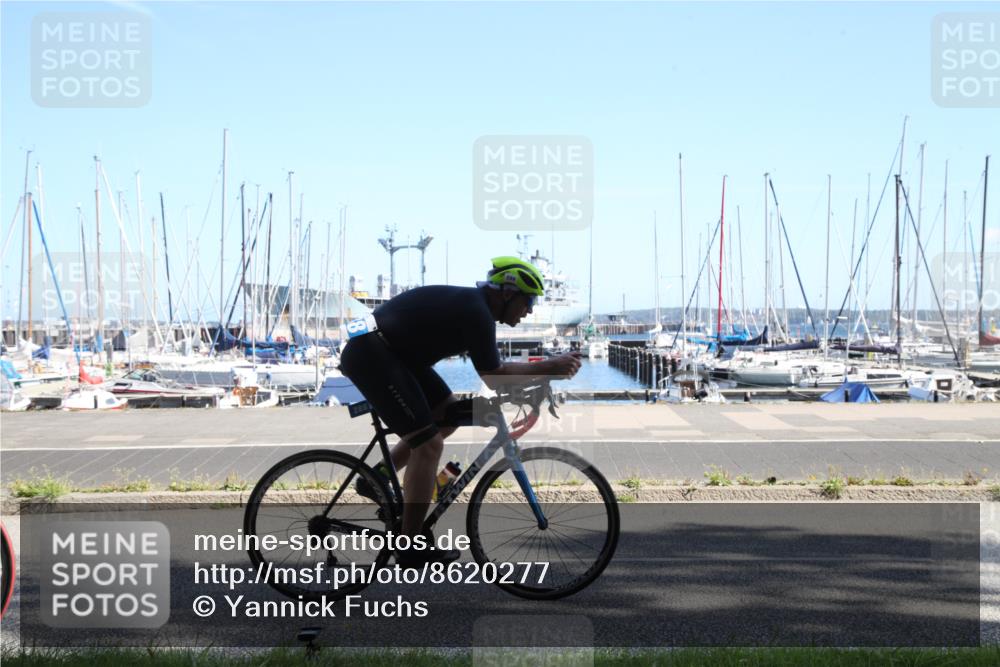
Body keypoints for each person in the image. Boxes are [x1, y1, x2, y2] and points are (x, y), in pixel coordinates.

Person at [338, 256, 582, 567]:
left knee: (447, 412)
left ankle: (376, 478)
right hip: (374, 355)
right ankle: (409, 547)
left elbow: (494, 374)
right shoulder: (476, 311)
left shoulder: (476, 307)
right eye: (529, 301)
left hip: (394, 355)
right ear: (508, 293)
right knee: (428, 444)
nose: (530, 310)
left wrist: (534, 381)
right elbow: (493, 374)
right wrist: (550, 366)